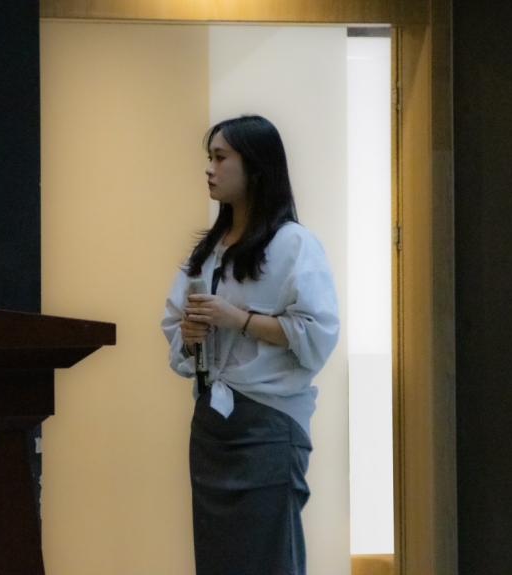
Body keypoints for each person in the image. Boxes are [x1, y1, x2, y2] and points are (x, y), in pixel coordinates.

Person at [161, 115, 339, 575]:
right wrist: (190, 336)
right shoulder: (207, 251)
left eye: (220, 158)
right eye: (209, 158)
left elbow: (317, 333)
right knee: (216, 560)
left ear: (255, 168)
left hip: (269, 424)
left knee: (270, 559)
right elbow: (175, 331)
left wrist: (237, 319)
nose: (209, 169)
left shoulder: (294, 244)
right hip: (211, 427)